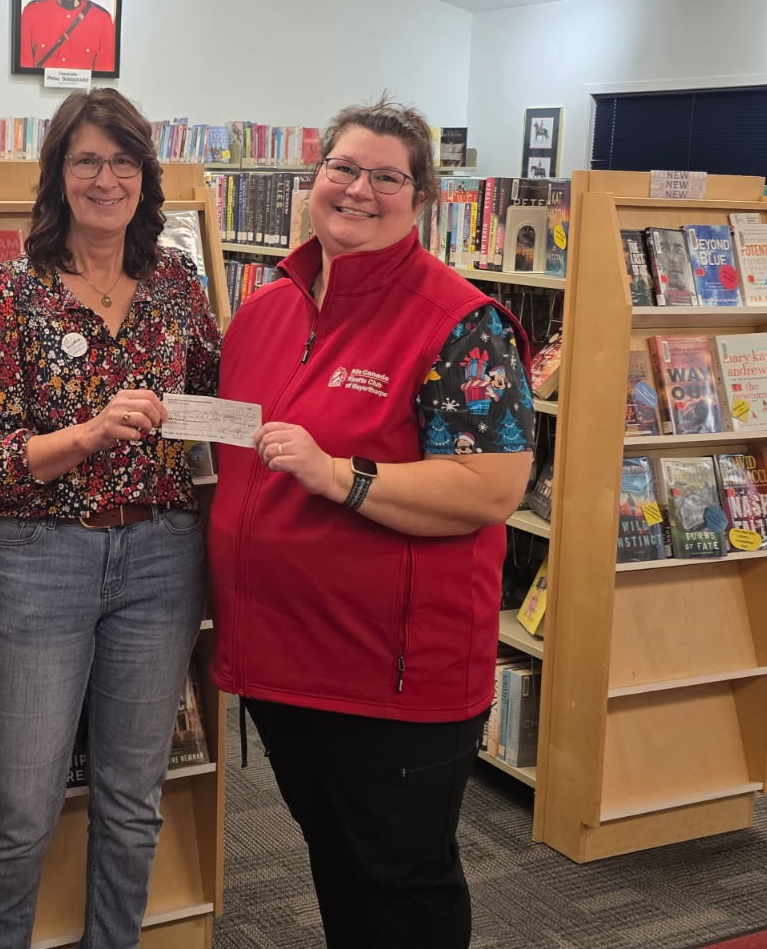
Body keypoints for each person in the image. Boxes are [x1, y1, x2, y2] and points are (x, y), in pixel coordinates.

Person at [207, 98, 536, 949]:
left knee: (401, 876)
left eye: (387, 178)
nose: (358, 190)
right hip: (281, 657)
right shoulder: (267, 307)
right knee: (336, 858)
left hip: (392, 671)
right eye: (343, 169)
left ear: (421, 199)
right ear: (314, 179)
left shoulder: (460, 325)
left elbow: (490, 488)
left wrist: (339, 475)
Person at [0, 87, 221, 949]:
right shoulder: (6, 292)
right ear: (57, 175)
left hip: (161, 554)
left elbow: (211, 399)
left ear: (146, 175)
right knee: (21, 806)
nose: (107, 179)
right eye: (87, 161)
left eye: (123, 161)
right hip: (39, 560)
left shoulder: (177, 284)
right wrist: (89, 434)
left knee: (132, 798)